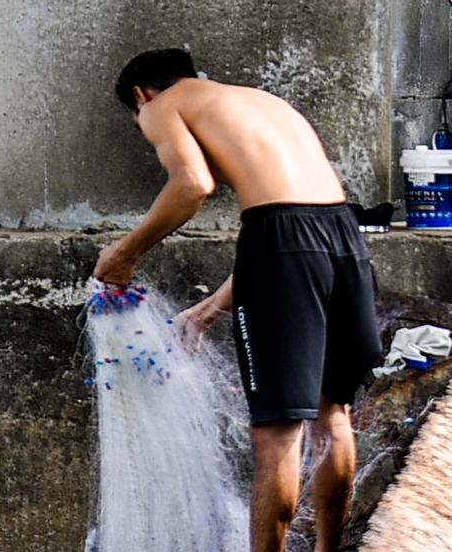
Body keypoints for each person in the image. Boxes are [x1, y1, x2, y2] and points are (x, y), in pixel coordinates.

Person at [94, 49, 379, 552]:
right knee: (332, 417)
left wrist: (126, 252)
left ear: (142, 96)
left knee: (277, 435)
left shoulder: (162, 105)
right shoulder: (259, 103)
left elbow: (194, 185)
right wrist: (208, 311)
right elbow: (295, 228)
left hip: (286, 240)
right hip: (344, 235)